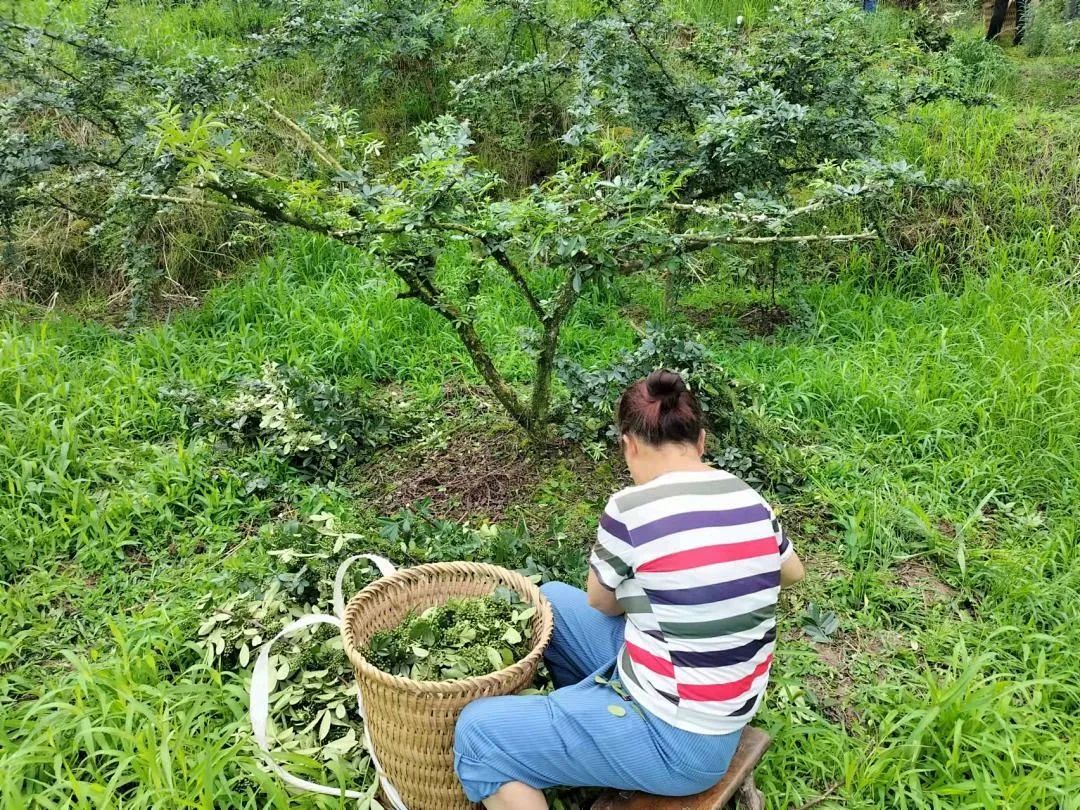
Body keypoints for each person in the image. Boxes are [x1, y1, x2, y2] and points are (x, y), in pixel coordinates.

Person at [454, 369, 806, 809]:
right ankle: (584, 743)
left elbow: (602, 601)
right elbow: (792, 572)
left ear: (629, 444)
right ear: (701, 442)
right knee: (553, 602)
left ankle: (578, 742)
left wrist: (656, 590)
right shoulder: (748, 498)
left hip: (679, 742)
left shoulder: (630, 508)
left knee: (478, 733)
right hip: (704, 701)